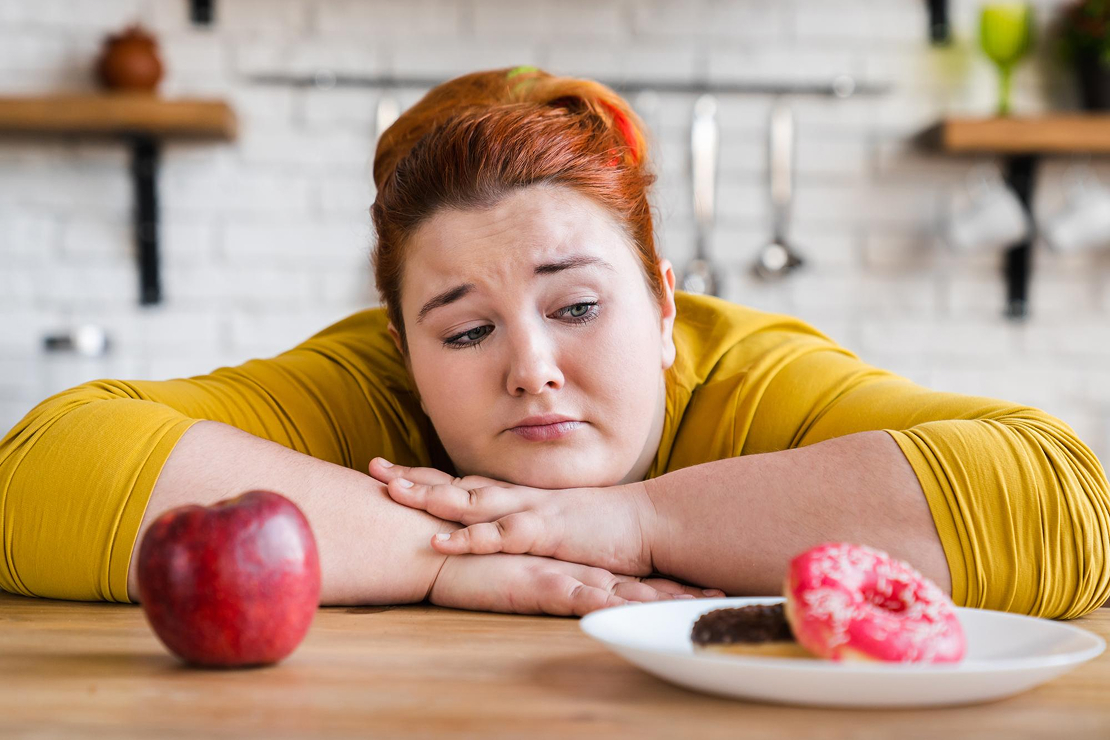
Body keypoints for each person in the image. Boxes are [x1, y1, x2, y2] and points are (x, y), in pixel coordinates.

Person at [1, 67, 1106, 619]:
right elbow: (45, 470)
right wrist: (441, 557)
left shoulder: (752, 373)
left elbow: (1063, 500)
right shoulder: (371, 382)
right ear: (403, 344)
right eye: (468, 327)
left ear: (668, 306)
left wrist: (631, 519)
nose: (528, 365)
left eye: (577, 307)